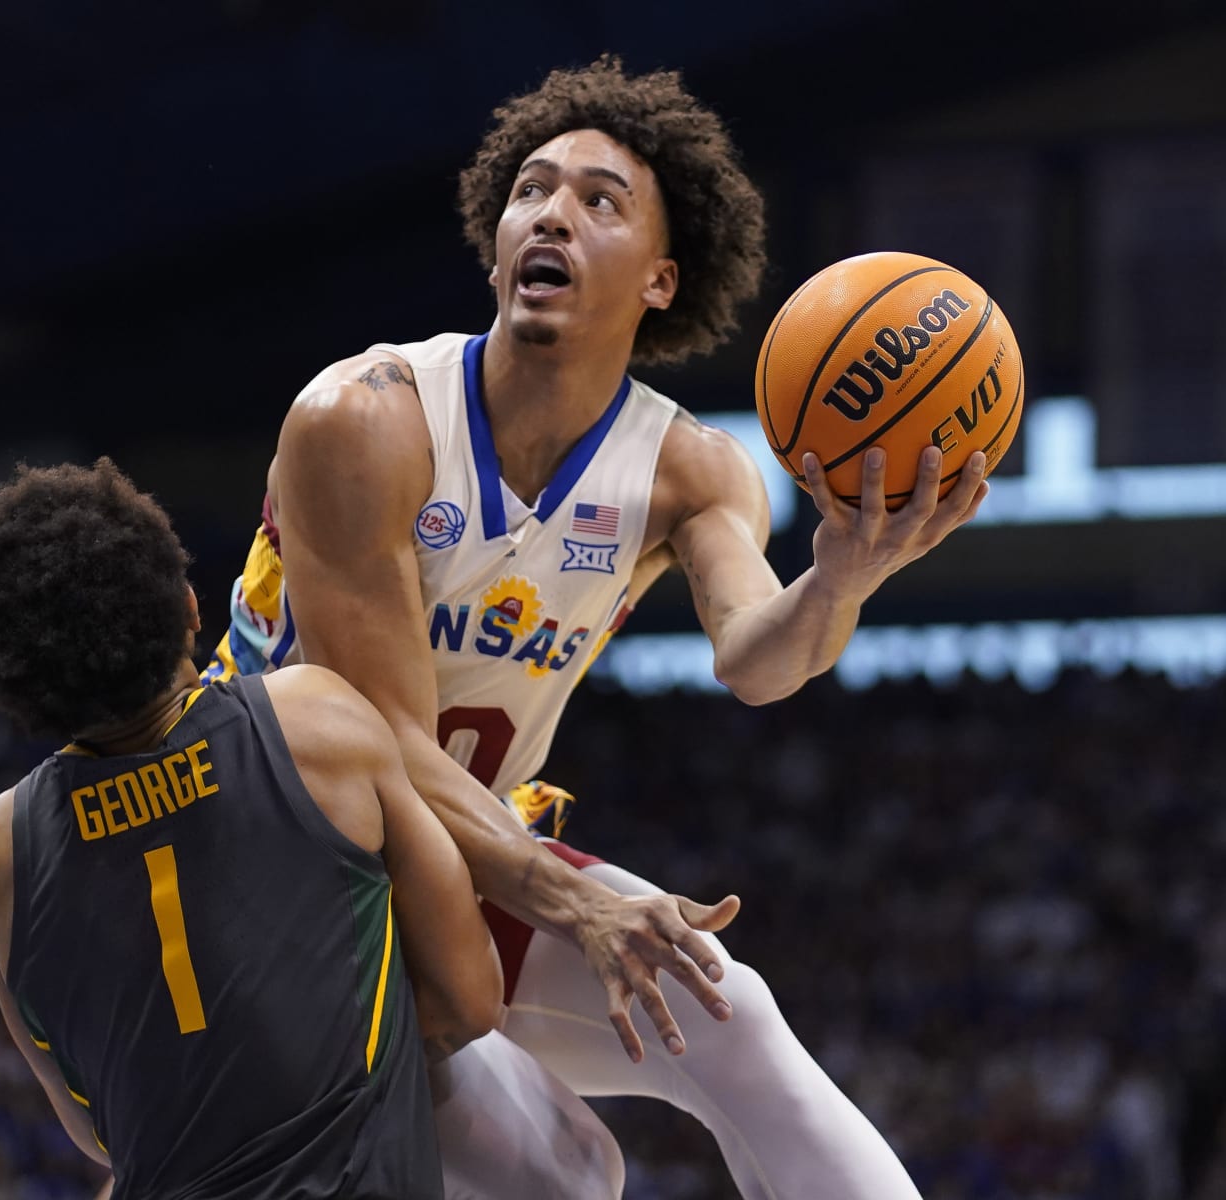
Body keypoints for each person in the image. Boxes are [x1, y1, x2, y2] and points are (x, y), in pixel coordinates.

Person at [201, 55, 992, 1200]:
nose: (552, 214)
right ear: (495, 240)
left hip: (452, 860)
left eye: (598, 200)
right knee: (564, 1168)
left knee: (712, 1022)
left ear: (661, 279)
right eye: (531, 190)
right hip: (267, 860)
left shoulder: (689, 469)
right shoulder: (364, 420)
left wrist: (840, 582)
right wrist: (575, 897)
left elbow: (758, 662)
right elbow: (378, 736)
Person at [0, 459, 502, 1200]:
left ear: (14, 682)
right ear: (188, 607)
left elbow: (95, 1133)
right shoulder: (313, 721)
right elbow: (471, 998)